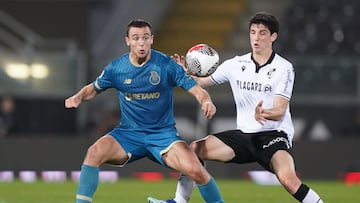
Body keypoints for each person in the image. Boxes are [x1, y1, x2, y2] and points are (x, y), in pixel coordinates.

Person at [147, 12, 324, 203]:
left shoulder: (284, 68)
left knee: (289, 181)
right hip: (244, 136)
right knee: (195, 149)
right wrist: (183, 72)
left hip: (273, 135)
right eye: (253, 32)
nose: (256, 37)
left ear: (273, 36)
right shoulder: (236, 64)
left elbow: (280, 109)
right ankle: (179, 201)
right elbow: (201, 82)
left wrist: (264, 113)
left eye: (262, 33)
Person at [65, 19, 224, 203]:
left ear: (152, 39)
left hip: (163, 136)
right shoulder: (116, 68)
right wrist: (78, 96)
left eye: (145, 37)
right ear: (128, 41)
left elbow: (197, 89)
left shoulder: (166, 65)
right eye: (136, 38)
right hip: (128, 134)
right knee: (94, 152)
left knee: (196, 170)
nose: (141, 42)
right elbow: (93, 88)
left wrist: (206, 101)